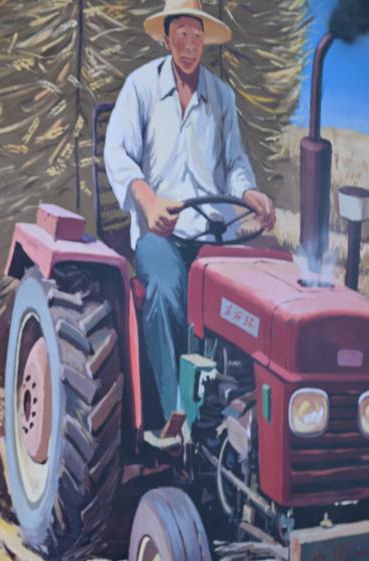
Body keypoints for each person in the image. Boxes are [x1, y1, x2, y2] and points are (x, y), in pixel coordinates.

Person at [103, 0, 277, 427]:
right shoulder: (140, 87)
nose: (189, 44)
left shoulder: (221, 97)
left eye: (197, 36)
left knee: (249, 306)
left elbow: (234, 163)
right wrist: (149, 202)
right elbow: (118, 154)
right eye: (181, 33)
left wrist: (249, 192)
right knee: (165, 290)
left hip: (213, 236)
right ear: (166, 39)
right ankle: (177, 417)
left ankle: (239, 413)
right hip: (161, 234)